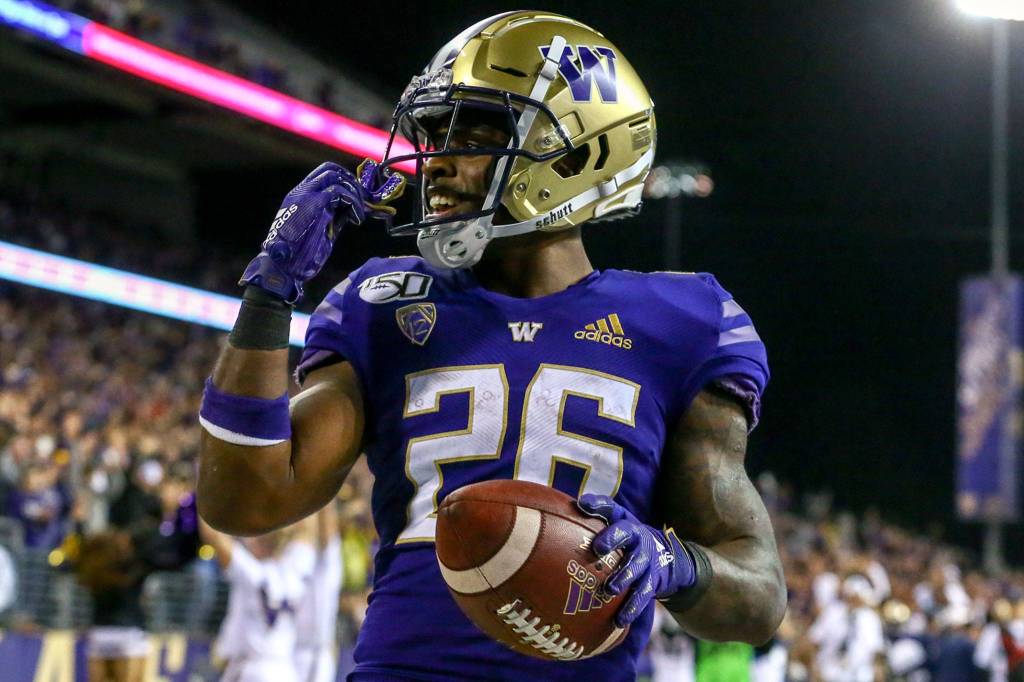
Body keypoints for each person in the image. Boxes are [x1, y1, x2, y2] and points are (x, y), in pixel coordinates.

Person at [197, 11, 785, 681]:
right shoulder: (383, 304)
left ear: (576, 155)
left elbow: (759, 596)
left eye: (473, 135)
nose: (437, 162)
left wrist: (677, 565)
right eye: (433, 135)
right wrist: (268, 298)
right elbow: (242, 502)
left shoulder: (682, 321)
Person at [202, 518, 315, 682]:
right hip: (287, 670)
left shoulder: (252, 572)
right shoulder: (295, 572)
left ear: (262, 542)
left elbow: (212, 534)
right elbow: (308, 533)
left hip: (254, 669)